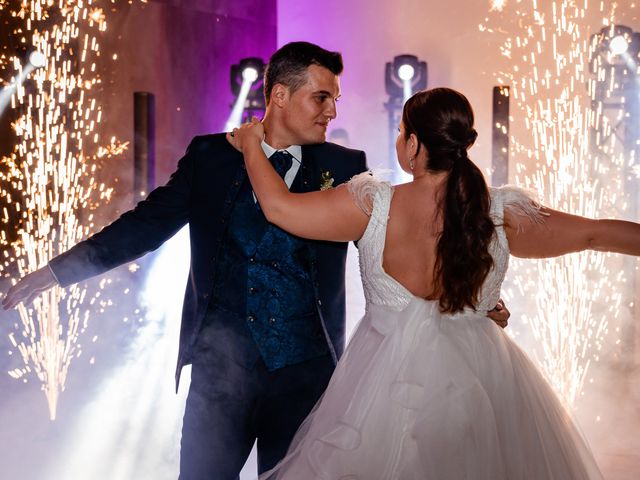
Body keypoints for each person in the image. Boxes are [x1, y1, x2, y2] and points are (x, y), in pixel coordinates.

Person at [1, 43, 509, 478]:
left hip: (308, 378)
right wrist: (55, 272)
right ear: (280, 96)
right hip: (219, 373)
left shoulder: (346, 167)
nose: (332, 111)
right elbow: (145, 226)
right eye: (321, 97)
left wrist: (472, 295)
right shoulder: (210, 157)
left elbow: (403, 244)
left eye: (334, 98)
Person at [227, 87, 640, 479]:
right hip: (481, 381)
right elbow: (596, 233)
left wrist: (250, 143)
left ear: (413, 146)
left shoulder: (373, 205)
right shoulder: (499, 211)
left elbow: (278, 208)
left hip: (379, 393)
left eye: (402, 132)